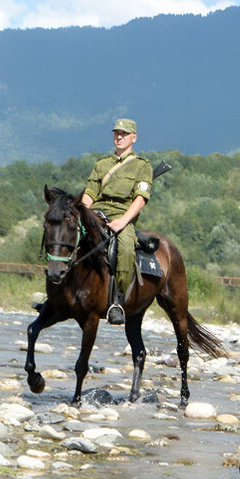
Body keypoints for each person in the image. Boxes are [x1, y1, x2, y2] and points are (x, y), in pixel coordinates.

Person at [82, 118, 153, 325]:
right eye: (116, 133)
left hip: (123, 214)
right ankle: (58, 293)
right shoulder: (101, 164)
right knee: (69, 238)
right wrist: (82, 214)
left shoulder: (142, 166)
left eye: (124, 133)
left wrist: (122, 222)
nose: (119, 136)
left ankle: (117, 301)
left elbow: (140, 199)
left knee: (125, 249)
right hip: (97, 213)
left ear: (134, 137)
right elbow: (90, 193)